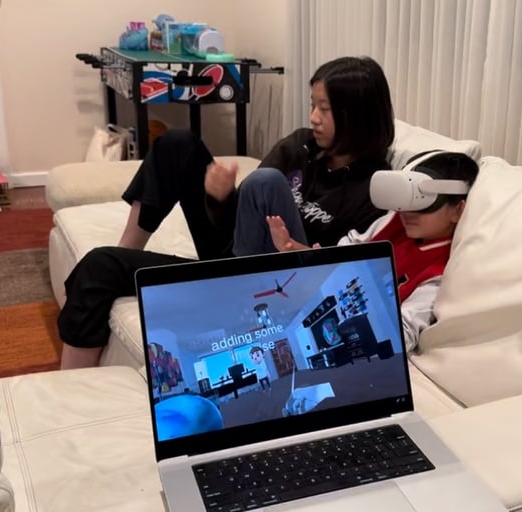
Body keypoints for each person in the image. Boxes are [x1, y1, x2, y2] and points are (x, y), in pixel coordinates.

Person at [58, 56, 395, 369]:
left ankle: (230, 298)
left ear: (358, 115)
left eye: (325, 108)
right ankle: (128, 252)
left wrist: (295, 250)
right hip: (233, 260)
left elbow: (339, 277)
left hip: (272, 290)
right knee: (177, 145)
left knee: (265, 182)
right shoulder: (300, 146)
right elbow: (247, 214)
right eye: (313, 105)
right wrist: (220, 198)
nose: (314, 118)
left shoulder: (375, 189)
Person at [267, 150, 479, 352]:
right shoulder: (395, 222)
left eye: (424, 202)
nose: (409, 211)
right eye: (407, 199)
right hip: (325, 297)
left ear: (457, 210)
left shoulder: (438, 274)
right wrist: (296, 250)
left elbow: (403, 333)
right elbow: (346, 251)